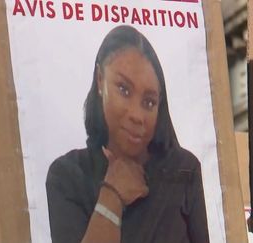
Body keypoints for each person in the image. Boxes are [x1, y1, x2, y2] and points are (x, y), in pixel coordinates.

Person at [46, 25, 210, 243]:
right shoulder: (67, 175)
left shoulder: (183, 170)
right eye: (124, 89)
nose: (137, 115)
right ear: (100, 80)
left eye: (149, 102)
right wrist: (111, 195)